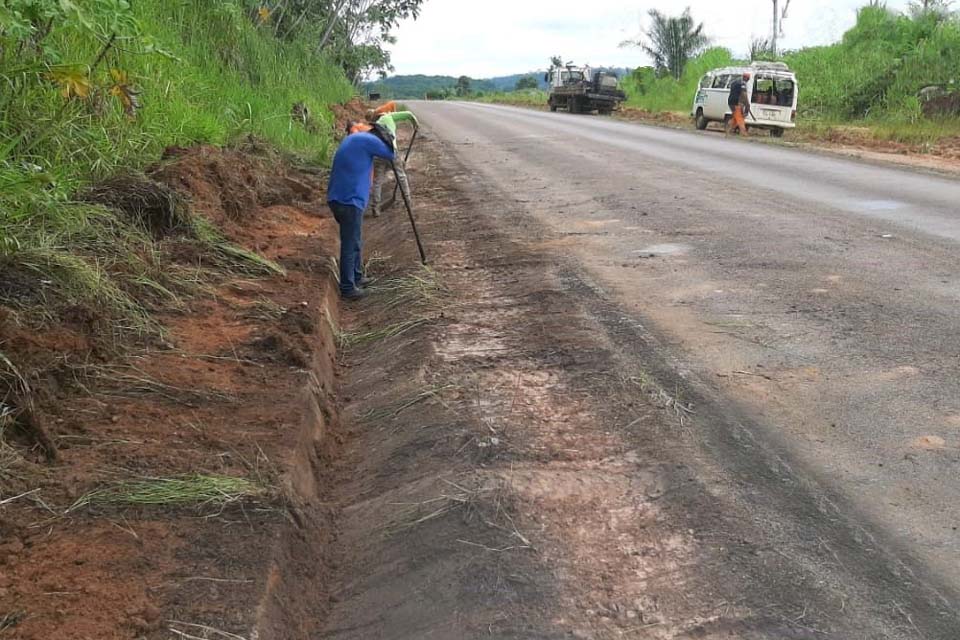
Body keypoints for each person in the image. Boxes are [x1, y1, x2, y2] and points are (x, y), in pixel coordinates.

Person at [327, 131, 395, 300]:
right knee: (350, 245)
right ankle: (348, 288)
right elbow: (390, 154)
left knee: (355, 240)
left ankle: (357, 276)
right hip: (349, 201)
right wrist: (391, 143)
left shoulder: (357, 139)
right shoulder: (371, 141)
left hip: (339, 198)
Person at [368, 108, 418, 217]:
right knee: (401, 176)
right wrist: (415, 124)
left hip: (378, 154)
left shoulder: (374, 126)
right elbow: (408, 114)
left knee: (378, 181)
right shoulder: (388, 117)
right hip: (391, 151)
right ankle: (408, 202)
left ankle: (375, 208)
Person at [726, 72, 751, 137]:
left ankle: (729, 130)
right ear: (745, 77)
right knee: (740, 117)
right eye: (748, 78)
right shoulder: (742, 83)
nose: (748, 80)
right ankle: (743, 132)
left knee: (735, 116)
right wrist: (747, 104)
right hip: (736, 102)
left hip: (730, 101)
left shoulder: (734, 82)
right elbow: (744, 95)